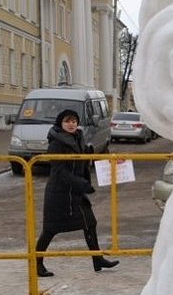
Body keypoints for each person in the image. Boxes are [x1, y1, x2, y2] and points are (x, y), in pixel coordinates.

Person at [35, 109, 118, 277]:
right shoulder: (56, 144)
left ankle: (97, 259)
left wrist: (88, 156)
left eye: (74, 121)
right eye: (68, 121)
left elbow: (80, 164)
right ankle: (36, 264)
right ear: (61, 123)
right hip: (59, 194)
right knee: (50, 230)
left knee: (90, 223)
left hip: (76, 193)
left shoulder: (78, 138)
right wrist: (82, 184)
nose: (71, 124)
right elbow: (59, 172)